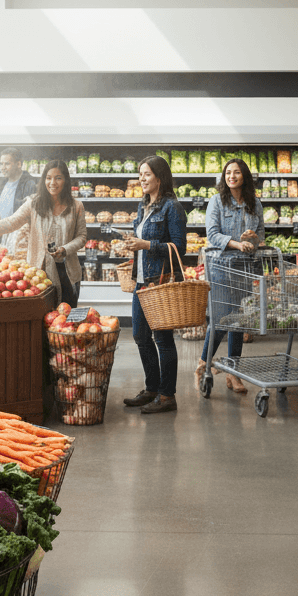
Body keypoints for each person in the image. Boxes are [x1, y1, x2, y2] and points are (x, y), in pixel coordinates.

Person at [0, 160, 86, 306]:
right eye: (48, 178)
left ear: (66, 180)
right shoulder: (34, 203)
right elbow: (12, 222)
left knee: (66, 318)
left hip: (68, 273)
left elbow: (81, 237)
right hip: (38, 273)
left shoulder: (76, 206)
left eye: (58, 178)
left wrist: (65, 249)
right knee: (42, 317)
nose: (52, 182)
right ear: (43, 180)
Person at [121, 155, 188, 414]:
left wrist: (146, 245)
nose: (142, 178)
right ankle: (152, 388)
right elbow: (142, 240)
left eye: (146, 174)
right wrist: (132, 243)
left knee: (162, 338)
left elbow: (179, 248)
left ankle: (167, 395)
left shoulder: (173, 207)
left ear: (160, 177)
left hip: (159, 282)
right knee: (139, 335)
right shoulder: (143, 205)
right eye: (140, 174)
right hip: (141, 282)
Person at [196, 158, 265, 394]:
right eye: (228, 173)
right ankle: (203, 363)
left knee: (239, 321)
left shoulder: (255, 204)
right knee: (221, 319)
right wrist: (237, 243)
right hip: (221, 267)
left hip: (244, 268)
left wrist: (253, 239)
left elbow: (261, 238)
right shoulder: (217, 201)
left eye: (236, 172)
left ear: (244, 176)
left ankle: (233, 374)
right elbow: (212, 235)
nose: (231, 176)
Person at [0, 148, 37, 254]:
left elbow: (30, 216)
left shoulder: (29, 184)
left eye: (7, 164)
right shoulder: (2, 184)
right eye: (1, 164)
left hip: (19, 242)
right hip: (2, 238)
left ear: (18, 164)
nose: (3, 168)